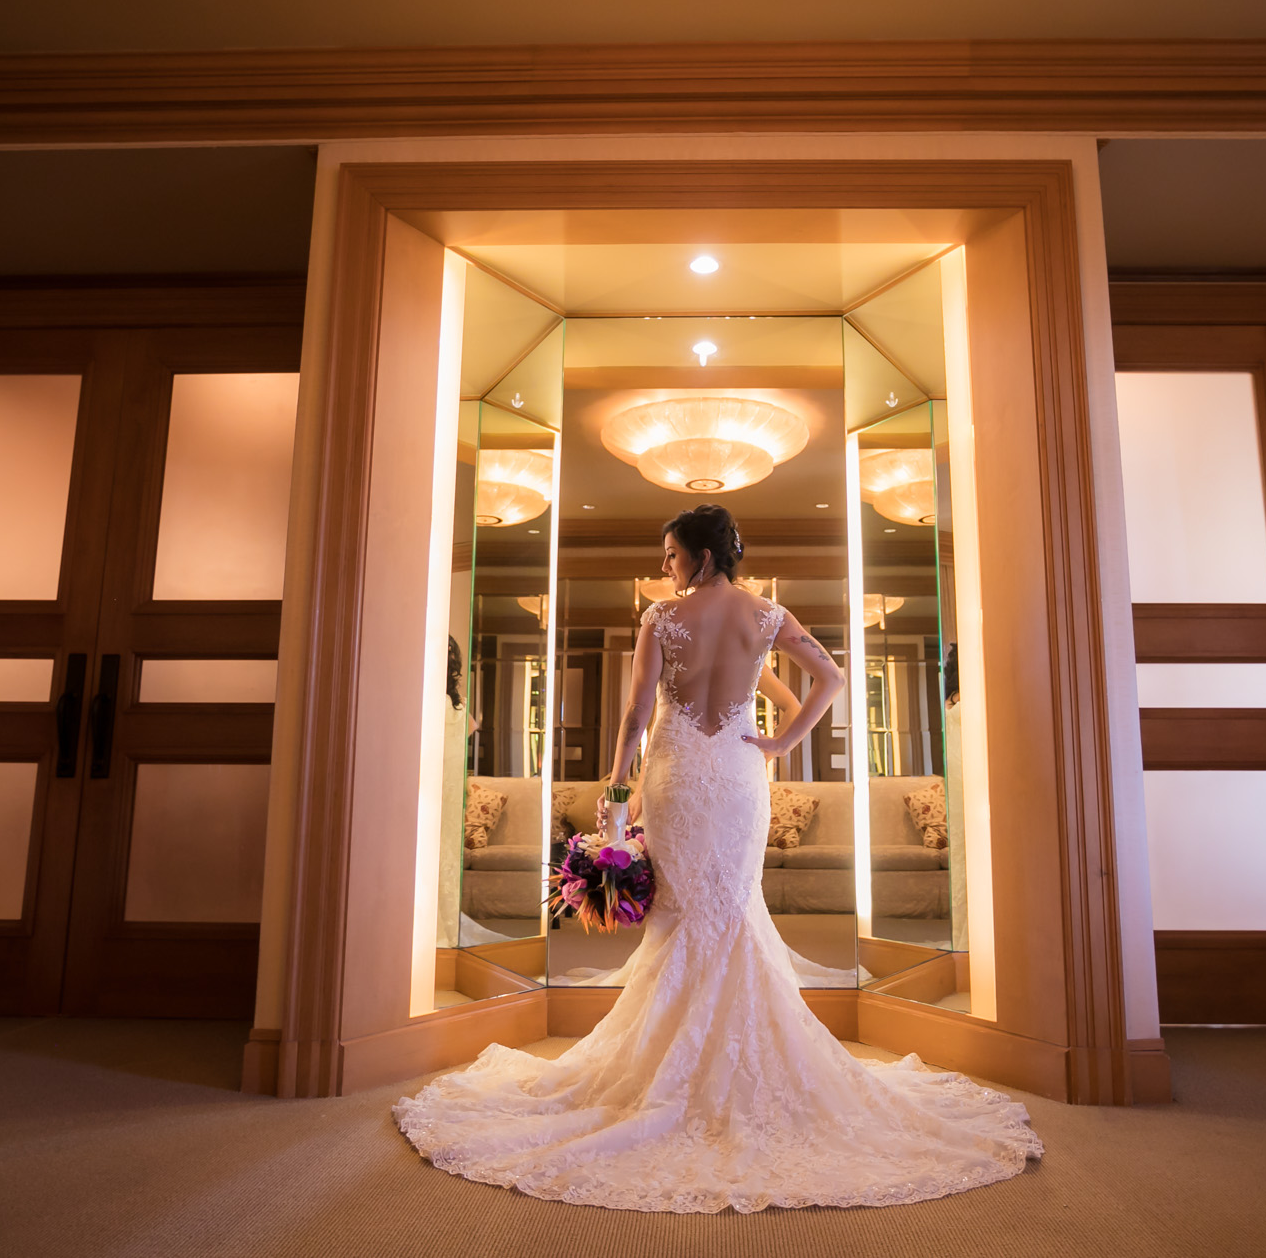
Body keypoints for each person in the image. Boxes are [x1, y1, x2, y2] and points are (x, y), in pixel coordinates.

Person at [394, 505, 1042, 1212]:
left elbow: (638, 712)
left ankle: (670, 1069)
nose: (664, 566)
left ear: (701, 558)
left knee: (680, 915)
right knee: (733, 908)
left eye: (670, 553)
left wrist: (616, 791)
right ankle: (720, 1066)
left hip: (676, 776)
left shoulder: (660, 619)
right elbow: (830, 679)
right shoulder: (766, 615)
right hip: (736, 778)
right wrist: (779, 746)